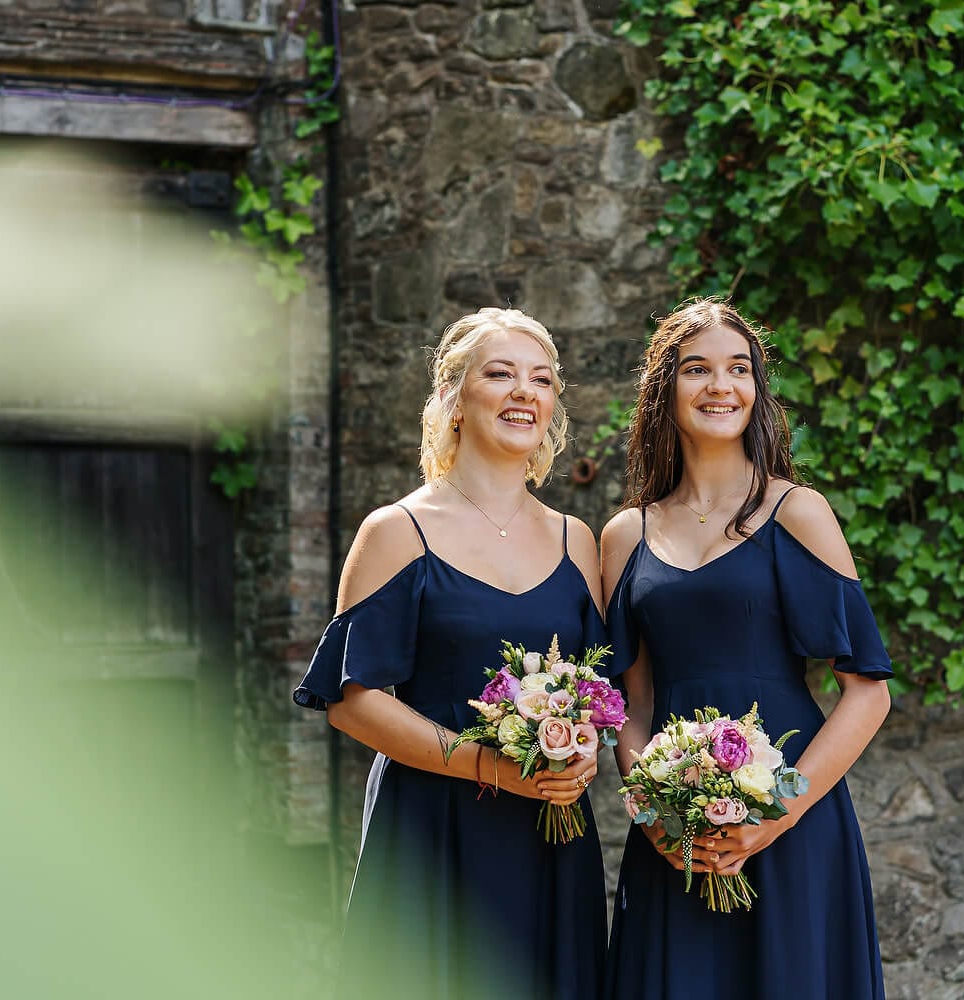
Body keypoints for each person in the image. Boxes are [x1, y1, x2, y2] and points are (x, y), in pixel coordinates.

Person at [293, 307, 610, 999]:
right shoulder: (396, 532)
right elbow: (353, 703)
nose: (525, 391)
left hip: (550, 837)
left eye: (542, 379)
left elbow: (603, 693)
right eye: (501, 374)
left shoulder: (577, 543)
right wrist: (493, 768)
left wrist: (585, 748)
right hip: (432, 834)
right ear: (454, 397)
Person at [601, 298, 892, 998]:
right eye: (697, 369)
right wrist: (656, 816)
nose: (720, 386)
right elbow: (631, 703)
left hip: (792, 827)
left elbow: (868, 690)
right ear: (665, 390)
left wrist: (774, 817)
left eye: (738, 369)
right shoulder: (624, 536)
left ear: (757, 389)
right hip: (674, 838)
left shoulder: (798, 513)